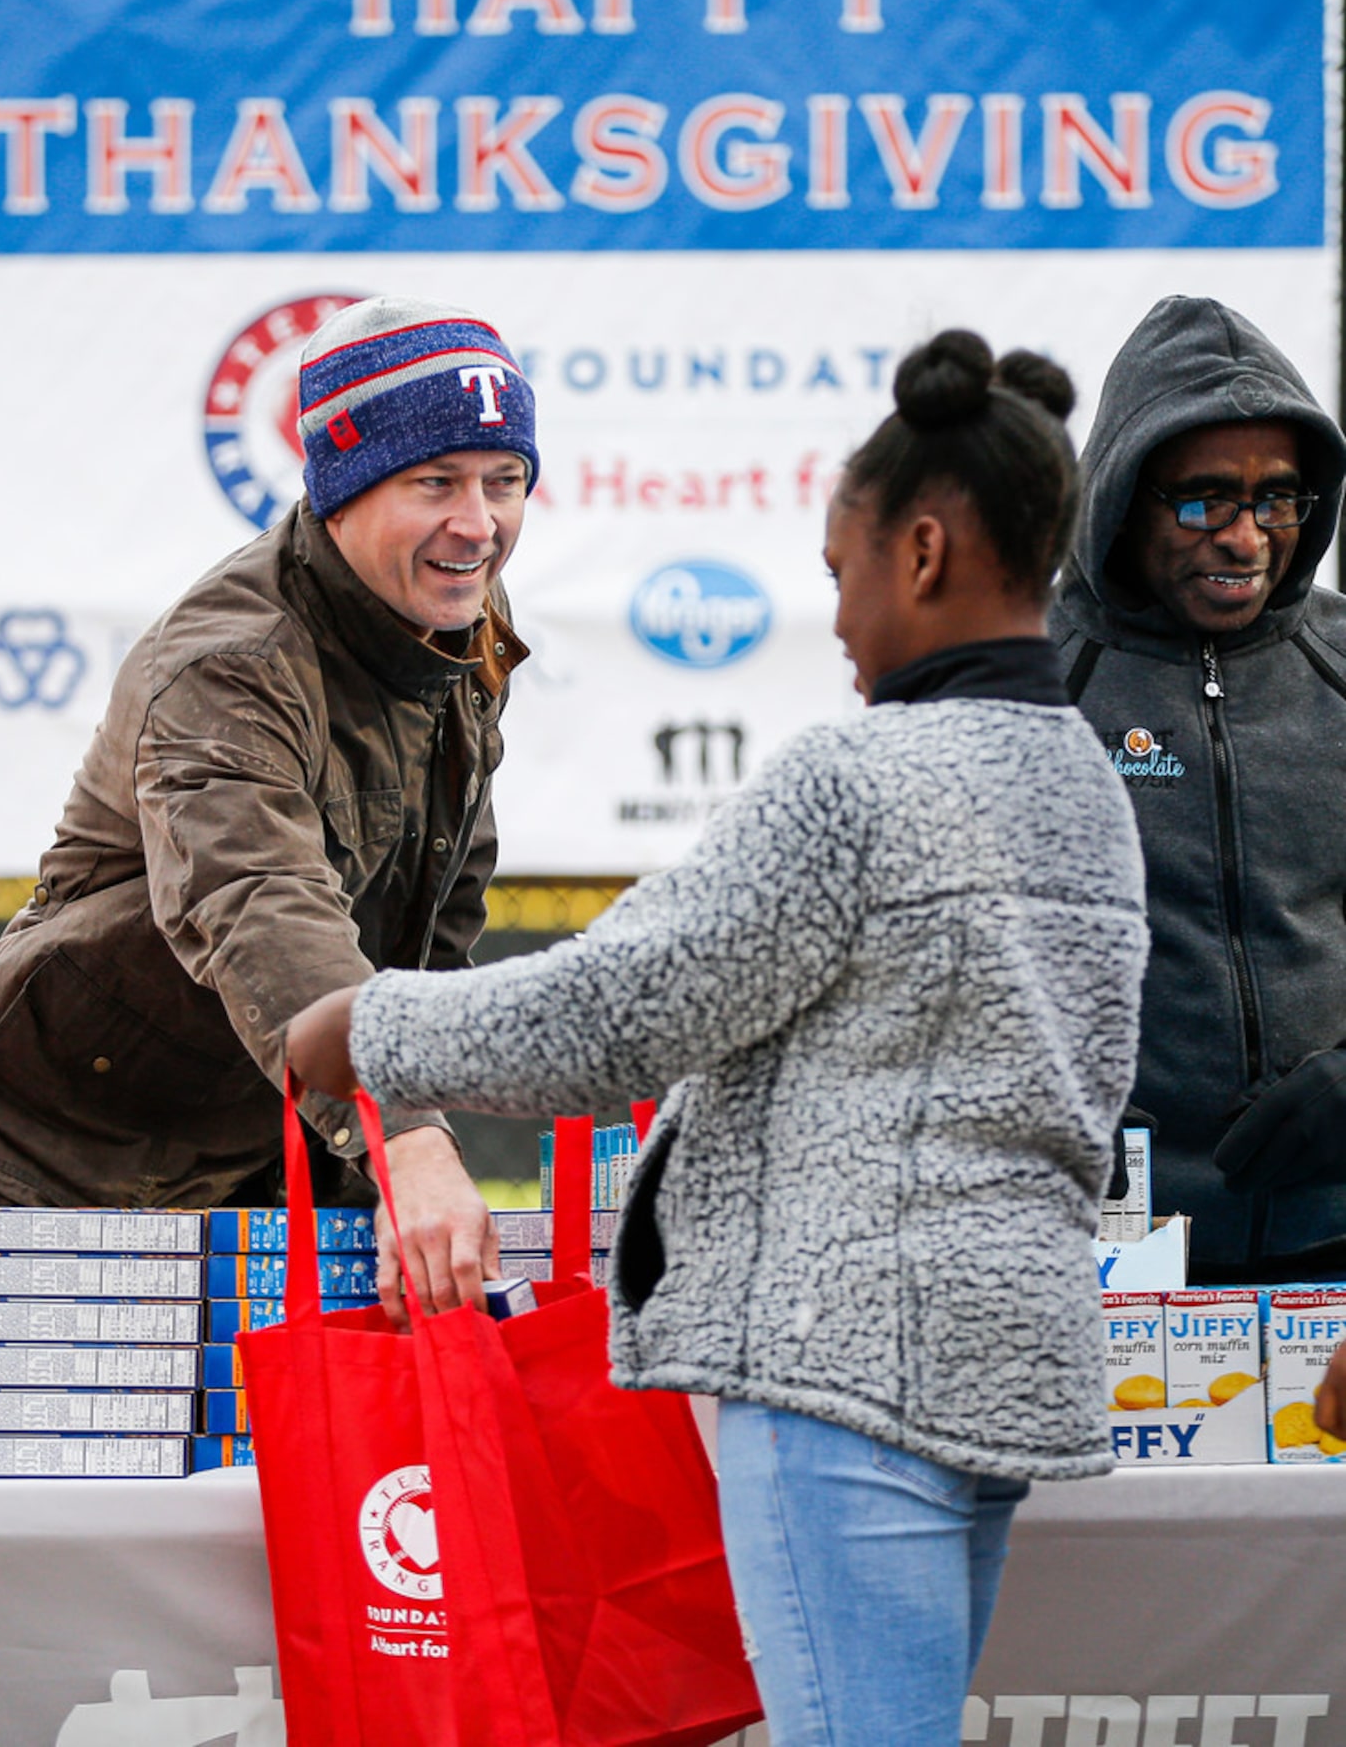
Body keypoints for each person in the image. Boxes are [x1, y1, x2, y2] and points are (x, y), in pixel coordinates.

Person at [288, 330, 1148, 1747]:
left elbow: (618, 1009)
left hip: (841, 1357)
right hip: (1004, 1348)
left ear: (921, 552)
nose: (832, 618)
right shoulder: (1080, 777)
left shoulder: (856, 775)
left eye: (838, 571)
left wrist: (367, 1024)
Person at [0, 294, 536, 1312]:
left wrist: (385, 1161)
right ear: (339, 490)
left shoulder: (462, 612)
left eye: (505, 481)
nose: (476, 525)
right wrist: (405, 1140)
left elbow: (438, 909)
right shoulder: (229, 665)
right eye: (433, 482)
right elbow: (260, 908)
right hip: (32, 1179)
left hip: (247, 1178)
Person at [1049, 295, 1346, 1280]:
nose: (1245, 537)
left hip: (1328, 1235)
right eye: (1203, 499)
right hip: (1098, 1256)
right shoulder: (1027, 681)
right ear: (1122, 496)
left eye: (1275, 498)